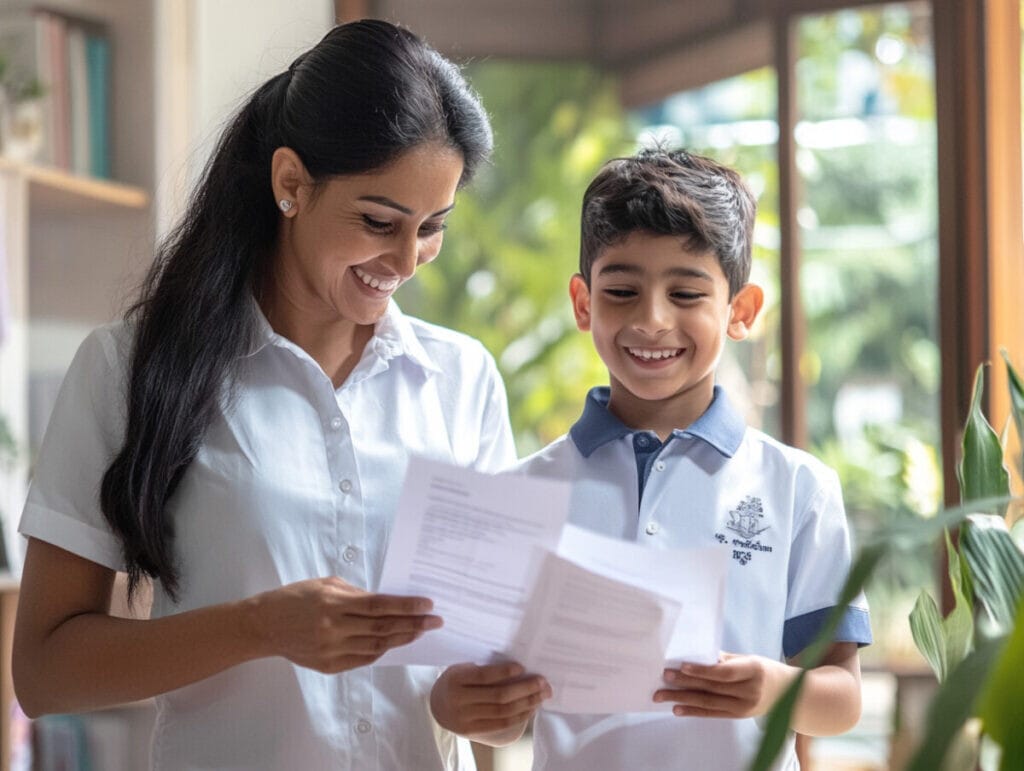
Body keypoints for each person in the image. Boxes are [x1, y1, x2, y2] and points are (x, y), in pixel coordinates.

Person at [12, 19, 546, 771]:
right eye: (378, 221)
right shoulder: (127, 370)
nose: (405, 260)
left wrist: (485, 706)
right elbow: (43, 672)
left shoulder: (462, 380)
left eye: (432, 229)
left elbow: (482, 670)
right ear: (291, 183)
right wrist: (258, 626)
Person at [431, 148, 872, 769]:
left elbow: (843, 697)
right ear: (584, 304)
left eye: (687, 292)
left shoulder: (798, 488)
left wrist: (772, 688)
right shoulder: (525, 489)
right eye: (622, 291)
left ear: (739, 311)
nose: (652, 320)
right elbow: (493, 718)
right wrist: (462, 707)